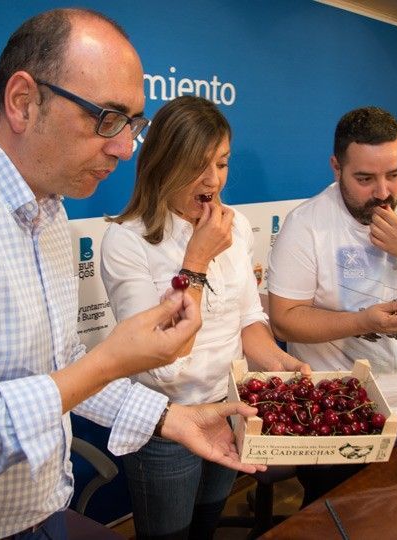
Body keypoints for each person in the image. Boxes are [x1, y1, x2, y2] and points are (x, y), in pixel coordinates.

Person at [0, 10, 264, 539]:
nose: (124, 147)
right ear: (23, 101)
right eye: (106, 118)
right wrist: (112, 360)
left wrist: (170, 419)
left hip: (39, 513)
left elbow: (58, 369)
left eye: (133, 124)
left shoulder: (50, 214)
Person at [100, 95, 311, 539]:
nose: (213, 180)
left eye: (222, 163)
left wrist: (278, 362)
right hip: (165, 427)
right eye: (199, 164)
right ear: (164, 163)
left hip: (227, 407)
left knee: (207, 527)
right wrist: (195, 262)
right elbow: (162, 355)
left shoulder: (234, 227)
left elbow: (248, 317)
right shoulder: (125, 241)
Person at [267, 106, 397, 506]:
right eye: (364, 178)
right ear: (336, 167)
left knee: (394, 509)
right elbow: (285, 321)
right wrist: (361, 321)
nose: (383, 192)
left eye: (394, 175)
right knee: (331, 518)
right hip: (334, 411)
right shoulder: (307, 223)